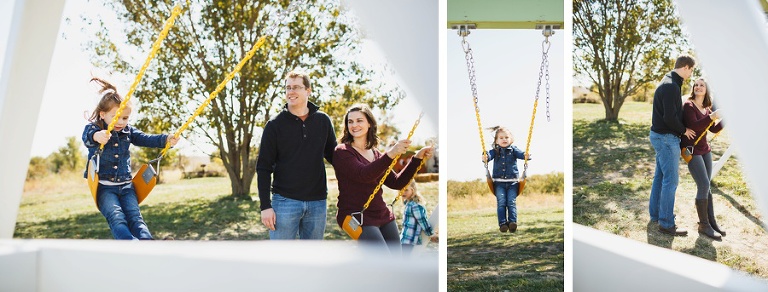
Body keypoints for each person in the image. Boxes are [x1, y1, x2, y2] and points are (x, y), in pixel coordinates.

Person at [82, 77, 179, 240]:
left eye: (125, 118)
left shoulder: (128, 132)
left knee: (136, 218)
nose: (121, 122)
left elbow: (146, 138)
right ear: (103, 114)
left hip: (127, 186)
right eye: (116, 116)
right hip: (104, 188)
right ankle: (131, 245)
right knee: (117, 217)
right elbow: (87, 137)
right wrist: (97, 136)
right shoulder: (95, 129)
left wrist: (165, 139)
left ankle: (147, 245)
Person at [333, 104, 433, 255]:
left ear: (369, 124)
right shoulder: (342, 152)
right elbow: (364, 175)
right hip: (356, 216)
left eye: (359, 120)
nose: (354, 125)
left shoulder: (376, 154)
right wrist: (391, 153)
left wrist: (417, 159)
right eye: (350, 121)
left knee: (396, 260)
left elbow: (396, 182)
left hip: (382, 214)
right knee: (383, 259)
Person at [256, 70, 337, 240]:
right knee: (281, 260)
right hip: (284, 202)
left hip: (317, 202)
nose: (291, 92)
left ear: (308, 90)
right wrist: (265, 206)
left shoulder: (323, 121)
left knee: (312, 260)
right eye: (288, 88)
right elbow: (263, 167)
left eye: (296, 87)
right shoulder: (274, 125)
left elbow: (335, 157)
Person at [649, 55, 697, 236]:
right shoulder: (671, 86)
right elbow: (669, 117)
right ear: (685, 67)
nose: (691, 74)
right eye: (691, 70)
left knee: (660, 177)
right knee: (671, 180)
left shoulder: (668, 81)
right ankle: (666, 223)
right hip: (666, 138)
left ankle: (656, 215)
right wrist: (684, 130)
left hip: (660, 136)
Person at [681, 77, 723, 240]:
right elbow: (695, 125)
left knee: (708, 185)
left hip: (705, 149)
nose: (698, 87)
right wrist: (712, 116)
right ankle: (703, 225)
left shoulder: (706, 107)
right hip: (691, 150)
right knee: (703, 184)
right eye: (696, 85)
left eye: (702, 85)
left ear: (706, 90)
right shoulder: (689, 105)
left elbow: (712, 129)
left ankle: (711, 222)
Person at [482, 126, 529, 233]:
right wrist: (485, 157)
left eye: (506, 137)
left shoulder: (514, 150)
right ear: (496, 140)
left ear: (511, 139)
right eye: (501, 137)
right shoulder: (495, 151)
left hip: (513, 183)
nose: (504, 139)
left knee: (511, 202)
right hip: (499, 183)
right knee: (502, 202)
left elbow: (522, 155)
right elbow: (488, 156)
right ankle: (503, 224)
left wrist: (526, 156)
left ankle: (512, 223)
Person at [399, 179, 438, 256]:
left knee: (405, 260)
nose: (403, 192)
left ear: (412, 190)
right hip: (405, 239)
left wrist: (431, 234)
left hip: (410, 240)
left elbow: (423, 221)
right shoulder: (408, 203)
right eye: (401, 189)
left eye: (406, 190)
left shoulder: (415, 206)